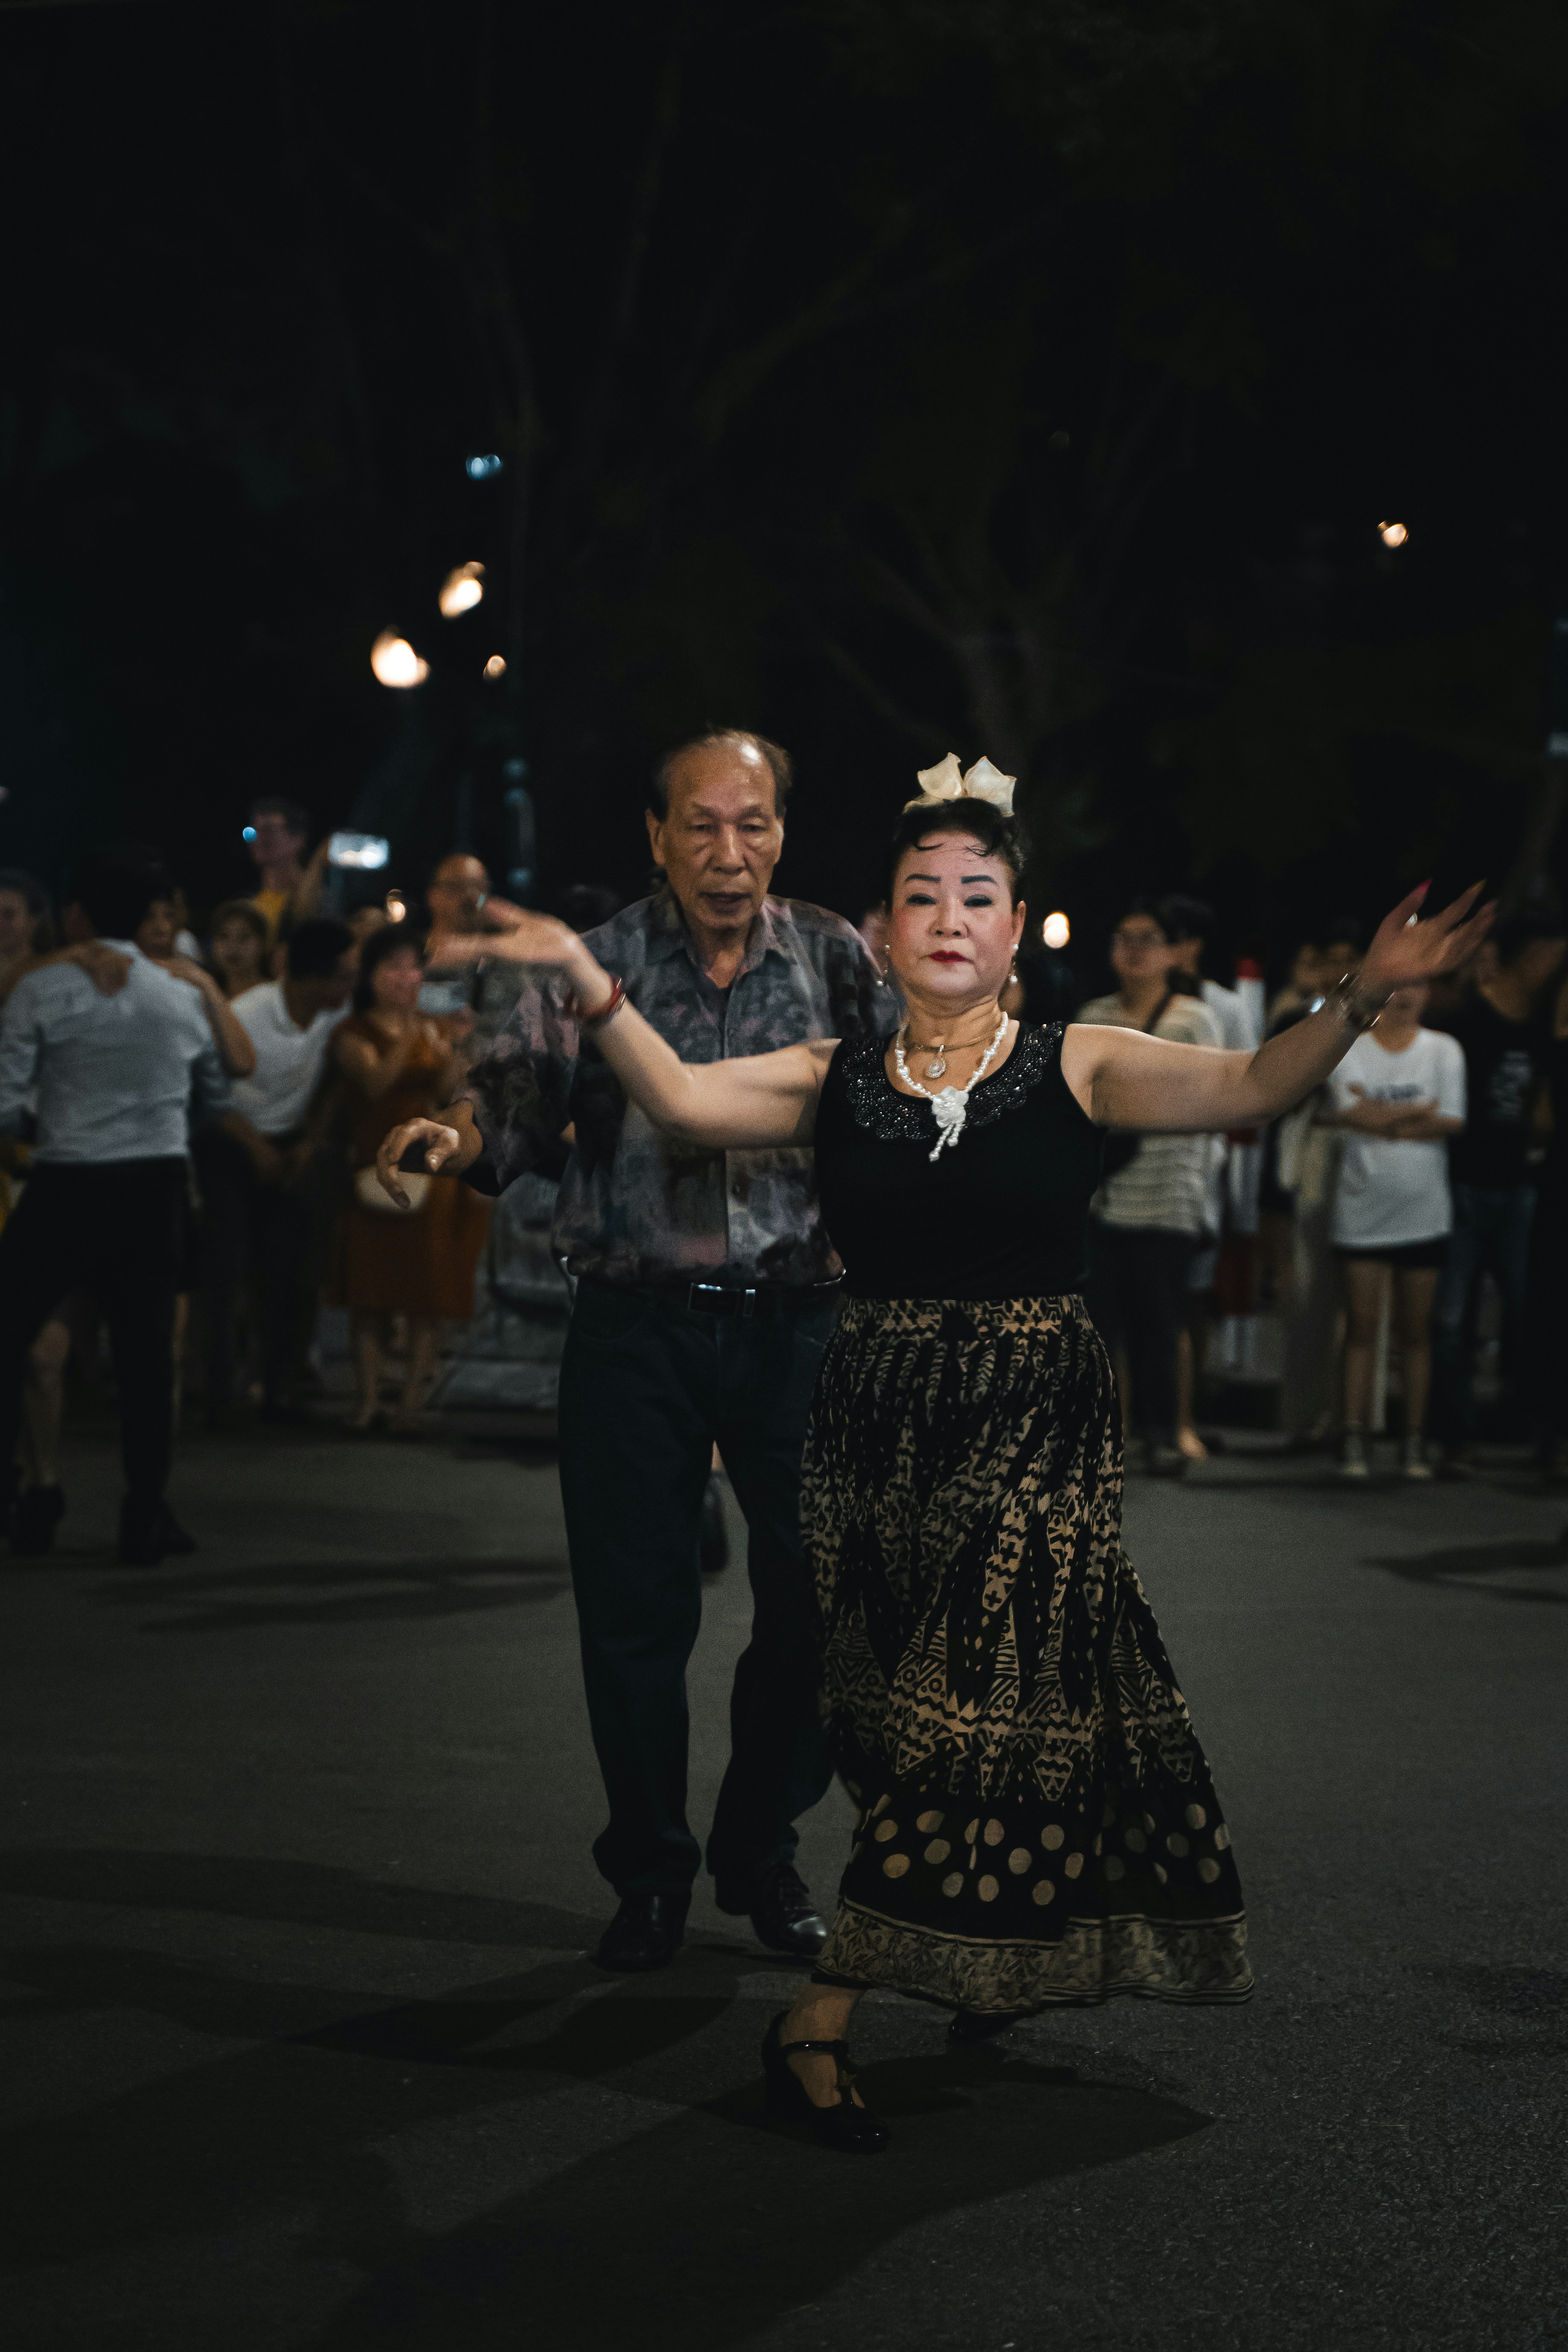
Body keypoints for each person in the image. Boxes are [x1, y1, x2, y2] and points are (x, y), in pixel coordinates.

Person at [378, 759, 1489, 2153]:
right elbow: (681, 1103)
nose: (950, 916)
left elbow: (1258, 1084)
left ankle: (818, 2015)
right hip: (873, 1424)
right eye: (922, 895)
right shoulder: (836, 1077)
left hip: (1034, 1421)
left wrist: (1365, 993)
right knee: (917, 1724)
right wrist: (585, 981)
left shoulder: (1079, 1060)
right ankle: (984, 1947)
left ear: (1017, 927)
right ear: (885, 932)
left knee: (983, 1695)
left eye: (978, 895)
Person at [382, 727, 898, 1974]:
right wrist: (446, 1141)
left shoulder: (838, 956)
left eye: (754, 824)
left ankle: (760, 1844)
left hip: (799, 1326)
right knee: (633, 1616)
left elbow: (899, 1114)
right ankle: (651, 1872)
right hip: (635, 1330)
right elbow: (508, 1104)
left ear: (782, 833)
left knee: (827, 1597)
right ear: (656, 835)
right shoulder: (592, 961)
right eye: (702, 825)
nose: (730, 852)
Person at [0, 851, 230, 1565]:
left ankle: (19, 1493)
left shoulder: (42, 988)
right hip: (154, 1182)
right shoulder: (179, 993)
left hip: (66, 1177)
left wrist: (40, 1126)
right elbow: (216, 1091)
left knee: (10, 1330)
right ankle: (144, 1512)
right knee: (146, 1356)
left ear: (75, 915)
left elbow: (5, 1101)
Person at [1076, 902, 1224, 1475]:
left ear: (1173, 952)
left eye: (1149, 938)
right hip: (1103, 1195)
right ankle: (1104, 1436)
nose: (1135, 948)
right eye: (1125, 936)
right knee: (1099, 1326)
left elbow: (1211, 1098)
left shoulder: (1195, 1020)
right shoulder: (1093, 1016)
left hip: (1168, 1192)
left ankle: (1163, 1431)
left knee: (1160, 1322)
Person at [198, 918, 357, 1425]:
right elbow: (209, 1095)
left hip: (290, 1143)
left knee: (287, 1267)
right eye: (346, 975)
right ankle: (218, 1390)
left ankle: (278, 1385)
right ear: (316, 978)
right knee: (226, 1265)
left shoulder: (337, 1014)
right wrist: (257, 1150)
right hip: (229, 1142)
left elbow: (337, 1081)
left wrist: (311, 1140)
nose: (353, 984)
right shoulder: (249, 1013)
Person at [331, 923, 489, 1430]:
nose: (406, 977)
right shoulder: (353, 1031)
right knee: (370, 1290)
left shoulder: (436, 1028)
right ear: (371, 976)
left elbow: (448, 1092)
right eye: (393, 967)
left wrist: (455, 1048)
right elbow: (375, 1083)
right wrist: (408, 1032)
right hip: (376, 1164)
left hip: (433, 1167)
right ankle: (368, 1399)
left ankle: (412, 1403)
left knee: (429, 1292)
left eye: (413, 967)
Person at [1432, 911, 1567, 1464]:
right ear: (1532, 955)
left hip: (1519, 1185)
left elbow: (1542, 1110)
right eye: (1553, 955)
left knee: (1532, 1312)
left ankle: (1531, 1422)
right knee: (1452, 1317)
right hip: (1464, 1182)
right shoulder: (1467, 1022)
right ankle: (1453, 1431)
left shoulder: (1540, 1024)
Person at [1324, 983, 1466, 1478]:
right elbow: (1347, 1111)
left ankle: (1414, 1440)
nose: (1406, 995)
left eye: (1418, 985)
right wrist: (1417, 1112)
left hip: (1423, 1209)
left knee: (1416, 1332)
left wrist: (1377, 1117)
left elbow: (1451, 1120)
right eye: (1399, 984)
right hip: (1362, 1206)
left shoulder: (1444, 1049)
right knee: (1361, 1327)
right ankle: (1354, 1436)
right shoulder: (1351, 1047)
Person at [246, 796, 325, 943]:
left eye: (269, 831)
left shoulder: (323, 900)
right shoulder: (247, 903)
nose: (259, 839)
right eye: (254, 831)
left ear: (298, 839)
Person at [207, 899, 271, 1000]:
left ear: (264, 943)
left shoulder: (278, 996)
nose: (233, 946)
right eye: (224, 936)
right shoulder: (205, 995)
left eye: (244, 937)